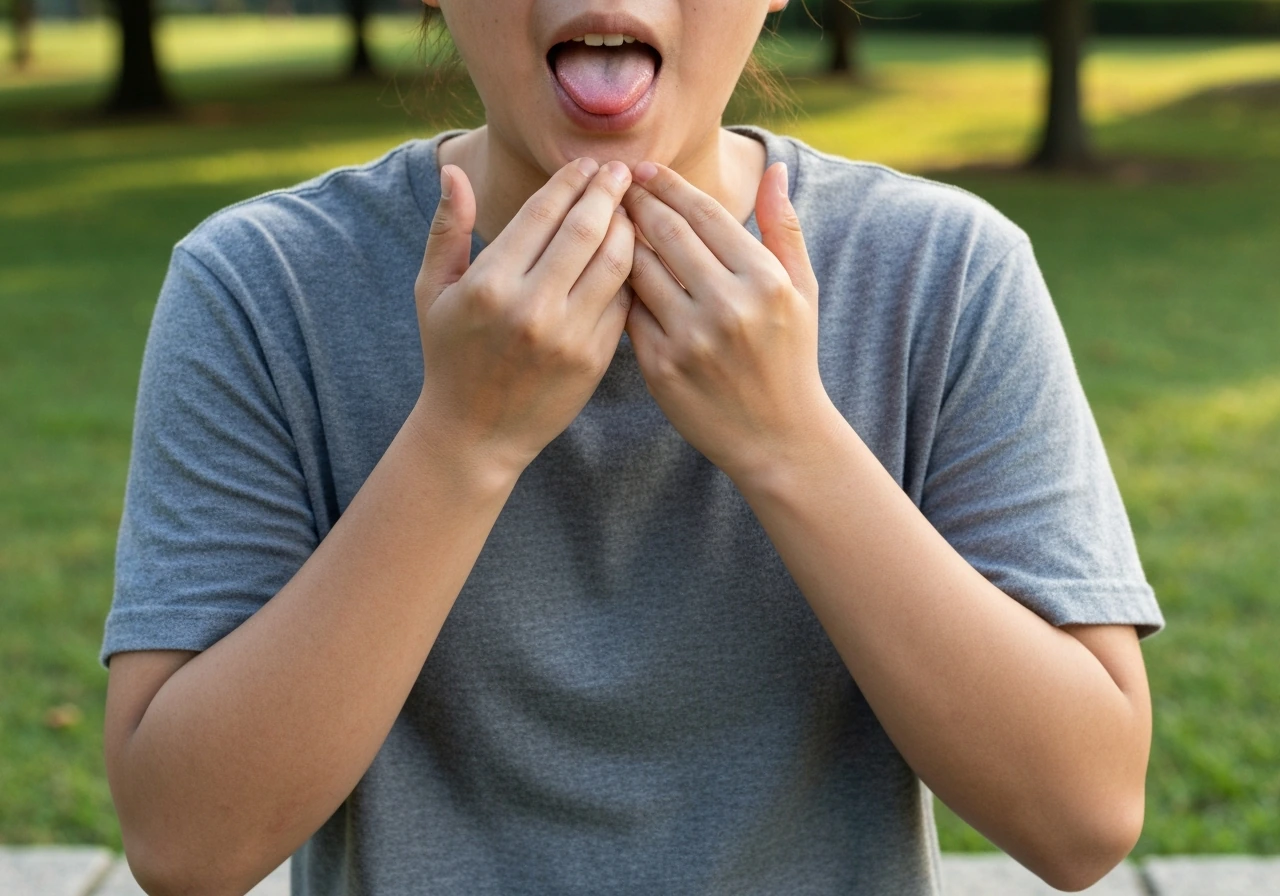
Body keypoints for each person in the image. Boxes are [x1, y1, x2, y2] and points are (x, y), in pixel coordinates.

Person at [99, 1, 1166, 894]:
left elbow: (1080, 813)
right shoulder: (260, 287)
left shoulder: (943, 272)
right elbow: (186, 841)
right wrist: (460, 442)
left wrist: (788, 439)